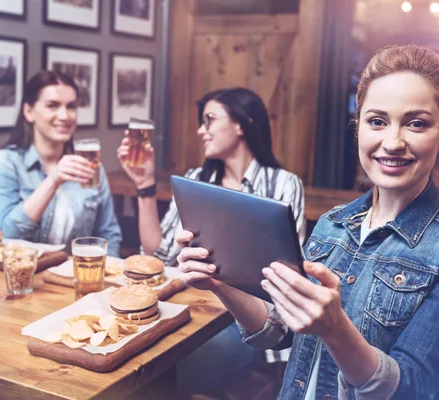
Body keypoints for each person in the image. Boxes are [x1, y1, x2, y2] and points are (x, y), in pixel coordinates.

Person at [176, 45, 439, 399]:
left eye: (416, 123)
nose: (392, 142)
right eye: (377, 121)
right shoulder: (333, 224)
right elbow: (278, 332)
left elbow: (412, 388)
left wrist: (335, 330)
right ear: (358, 128)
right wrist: (219, 281)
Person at [117, 87, 305, 396]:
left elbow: (286, 279)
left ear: (241, 124)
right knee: (135, 353)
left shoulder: (283, 184)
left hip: (244, 321)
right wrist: (144, 185)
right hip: (184, 310)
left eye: (209, 120)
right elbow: (156, 252)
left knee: (163, 371)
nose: (200, 130)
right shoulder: (196, 180)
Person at [0, 70, 122, 256]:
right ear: (29, 112)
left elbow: (109, 235)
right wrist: (53, 180)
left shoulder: (90, 165)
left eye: (71, 106)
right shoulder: (5, 161)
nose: (65, 116)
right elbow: (8, 235)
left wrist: (106, 277)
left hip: (80, 277)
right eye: (53, 106)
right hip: (26, 278)